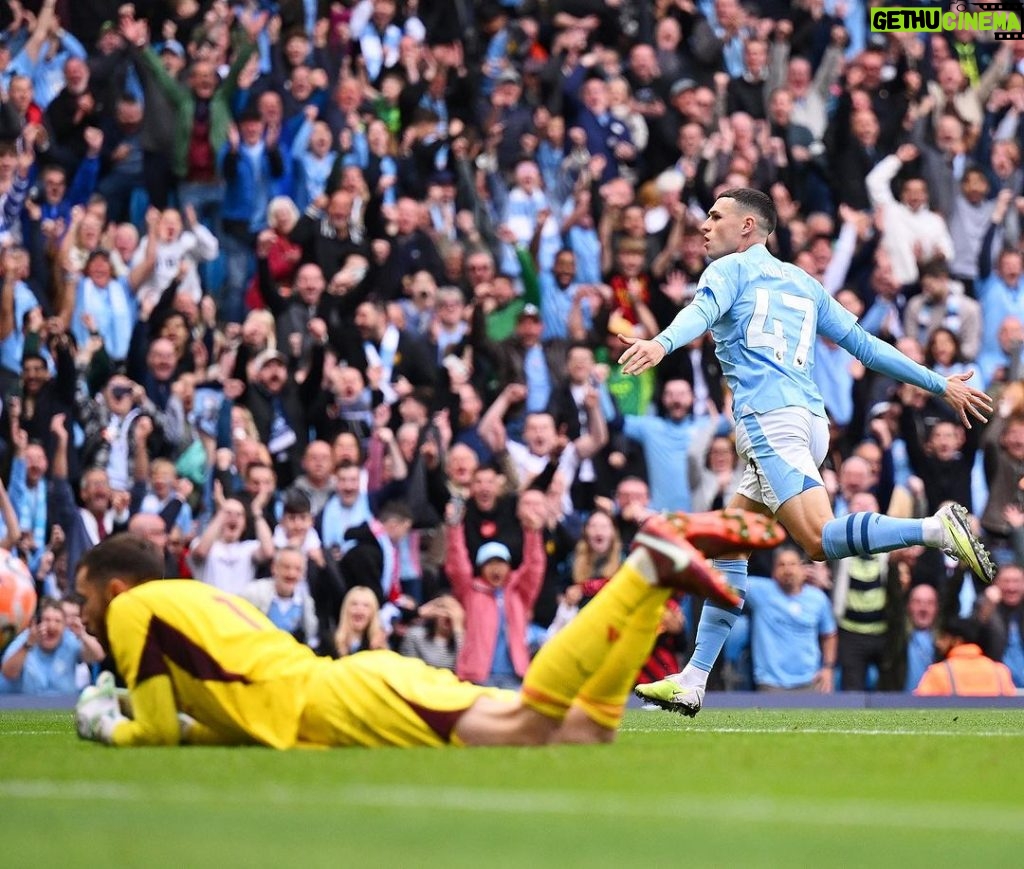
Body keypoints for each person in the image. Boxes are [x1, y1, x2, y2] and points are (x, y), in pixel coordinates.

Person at [621, 187, 996, 716]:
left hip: (770, 421)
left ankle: (935, 530)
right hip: (807, 421)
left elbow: (700, 313)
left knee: (818, 541)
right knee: (731, 542)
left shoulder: (728, 271)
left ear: (748, 227)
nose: (704, 226)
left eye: (715, 216)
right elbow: (866, 345)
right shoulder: (804, 283)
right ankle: (693, 679)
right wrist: (940, 385)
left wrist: (660, 343)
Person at [72, 511, 773, 748]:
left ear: (113, 588)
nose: (83, 616)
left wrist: (104, 718)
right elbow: (214, 713)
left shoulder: (134, 611)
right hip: (348, 686)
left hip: (338, 700)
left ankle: (644, 569)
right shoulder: (188, 596)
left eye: (83, 600)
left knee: (530, 725)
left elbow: (158, 734)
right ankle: (655, 578)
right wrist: (136, 703)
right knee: (585, 731)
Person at [913, 617, 1016, 697]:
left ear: (957, 641)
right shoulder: (1001, 672)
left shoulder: (938, 673)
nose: (938, 643)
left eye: (943, 638)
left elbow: (919, 715)